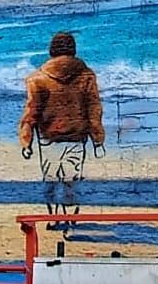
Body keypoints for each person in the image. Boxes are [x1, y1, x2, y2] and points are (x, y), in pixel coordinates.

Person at [18, 30, 105, 232]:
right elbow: (94, 109)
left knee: (50, 180)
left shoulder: (37, 79)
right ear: (73, 50)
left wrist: (26, 140)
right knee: (71, 181)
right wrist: (98, 140)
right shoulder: (87, 76)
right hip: (76, 138)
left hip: (48, 139)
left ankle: (54, 218)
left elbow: (31, 112)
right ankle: (69, 221)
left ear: (52, 51)